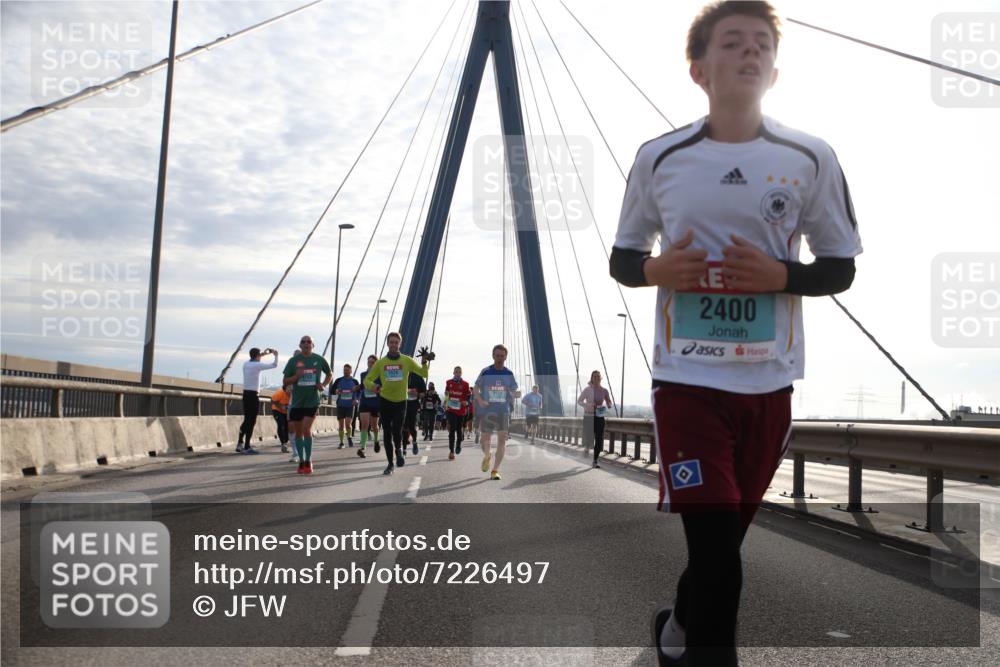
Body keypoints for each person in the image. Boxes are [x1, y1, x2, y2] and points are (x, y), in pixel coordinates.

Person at [608, 3, 861, 664]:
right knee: (720, 556)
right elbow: (623, 258)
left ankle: (677, 628)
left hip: (767, 385)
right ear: (698, 69)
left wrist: (781, 276)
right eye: (733, 43)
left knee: (719, 551)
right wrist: (657, 267)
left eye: (761, 45)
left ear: (774, 71)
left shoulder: (811, 157)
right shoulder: (660, 157)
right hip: (686, 383)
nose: (750, 53)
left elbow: (839, 269)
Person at [363, 332, 431, 475]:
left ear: (400, 344)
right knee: (386, 433)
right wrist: (374, 387)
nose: (393, 344)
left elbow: (423, 373)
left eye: (396, 342)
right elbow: (367, 380)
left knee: (397, 431)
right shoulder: (381, 363)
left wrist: (424, 361)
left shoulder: (407, 360)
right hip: (385, 400)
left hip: (401, 401)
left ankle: (399, 450)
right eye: (391, 342)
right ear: (387, 343)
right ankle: (390, 464)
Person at [282, 335, 332, 474]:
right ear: (300, 345)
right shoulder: (293, 361)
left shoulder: (319, 359)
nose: (306, 343)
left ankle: (308, 460)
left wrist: (323, 384)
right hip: (297, 402)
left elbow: (329, 374)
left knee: (306, 429)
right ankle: (302, 460)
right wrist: (296, 377)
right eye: (303, 342)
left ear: (313, 345)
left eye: (308, 341)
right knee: (298, 432)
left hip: (312, 401)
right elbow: (285, 381)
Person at [473, 344, 520, 480]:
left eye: (502, 356)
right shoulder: (486, 371)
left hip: (503, 411)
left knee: (502, 440)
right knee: (484, 440)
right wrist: (481, 401)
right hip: (488, 410)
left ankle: (495, 470)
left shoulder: (509, 373)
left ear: (505, 357)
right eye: (497, 355)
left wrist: (510, 393)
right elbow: (476, 388)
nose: (499, 358)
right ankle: (487, 456)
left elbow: (514, 391)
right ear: (493, 356)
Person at [237, 347, 278, 453]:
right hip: (254, 395)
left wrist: (264, 354)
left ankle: (240, 442)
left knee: (246, 419)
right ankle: (247, 446)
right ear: (258, 356)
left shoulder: (246, 364)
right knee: (252, 420)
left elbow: (255, 357)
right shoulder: (257, 365)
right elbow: (274, 365)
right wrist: (275, 355)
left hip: (245, 394)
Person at [577, 371, 613, 468]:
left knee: (599, 438)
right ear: (592, 378)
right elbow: (579, 401)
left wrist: (608, 405)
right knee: (589, 437)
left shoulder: (604, 390)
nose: (596, 378)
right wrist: (588, 405)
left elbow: (609, 402)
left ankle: (595, 461)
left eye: (598, 376)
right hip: (589, 416)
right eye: (594, 376)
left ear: (601, 378)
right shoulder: (587, 390)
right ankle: (587, 447)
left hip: (599, 416)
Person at [444, 366, 472, 460]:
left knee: (459, 431)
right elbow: (447, 394)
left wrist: (466, 402)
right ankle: (451, 451)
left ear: (461, 373)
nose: (457, 373)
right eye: (456, 372)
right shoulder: (448, 382)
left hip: (460, 410)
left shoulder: (465, 384)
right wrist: (446, 402)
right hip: (451, 409)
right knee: (452, 430)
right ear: (453, 373)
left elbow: (468, 396)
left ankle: (458, 444)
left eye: (459, 372)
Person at [357, 354, 382, 458]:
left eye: (373, 362)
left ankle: (376, 440)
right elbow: (363, 386)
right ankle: (363, 448)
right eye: (369, 362)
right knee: (364, 425)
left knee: (375, 427)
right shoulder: (363, 374)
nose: (370, 364)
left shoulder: (380, 375)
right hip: (364, 402)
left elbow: (381, 388)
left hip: (375, 403)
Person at [330, 363, 359, 449]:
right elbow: (331, 390)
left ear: (351, 371)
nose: (345, 372)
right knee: (341, 425)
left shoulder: (355, 381)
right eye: (344, 370)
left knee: (348, 423)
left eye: (347, 370)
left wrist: (357, 399)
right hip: (340, 405)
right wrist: (336, 391)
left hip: (350, 405)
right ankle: (342, 442)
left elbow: (359, 392)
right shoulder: (339, 380)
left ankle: (349, 437)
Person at [403, 371, 426, 454]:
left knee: (412, 426)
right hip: (402, 403)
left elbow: (423, 393)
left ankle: (415, 442)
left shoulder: (418, 377)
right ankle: (404, 450)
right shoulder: (401, 374)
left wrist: (417, 394)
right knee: (404, 426)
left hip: (413, 404)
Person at [270, 385, 291, 453]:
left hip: (287, 412)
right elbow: (272, 400)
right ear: (285, 389)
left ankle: (285, 441)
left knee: (287, 428)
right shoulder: (280, 393)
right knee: (281, 425)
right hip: (277, 410)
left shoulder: (294, 394)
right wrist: (281, 406)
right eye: (288, 389)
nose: (290, 391)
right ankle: (283, 444)